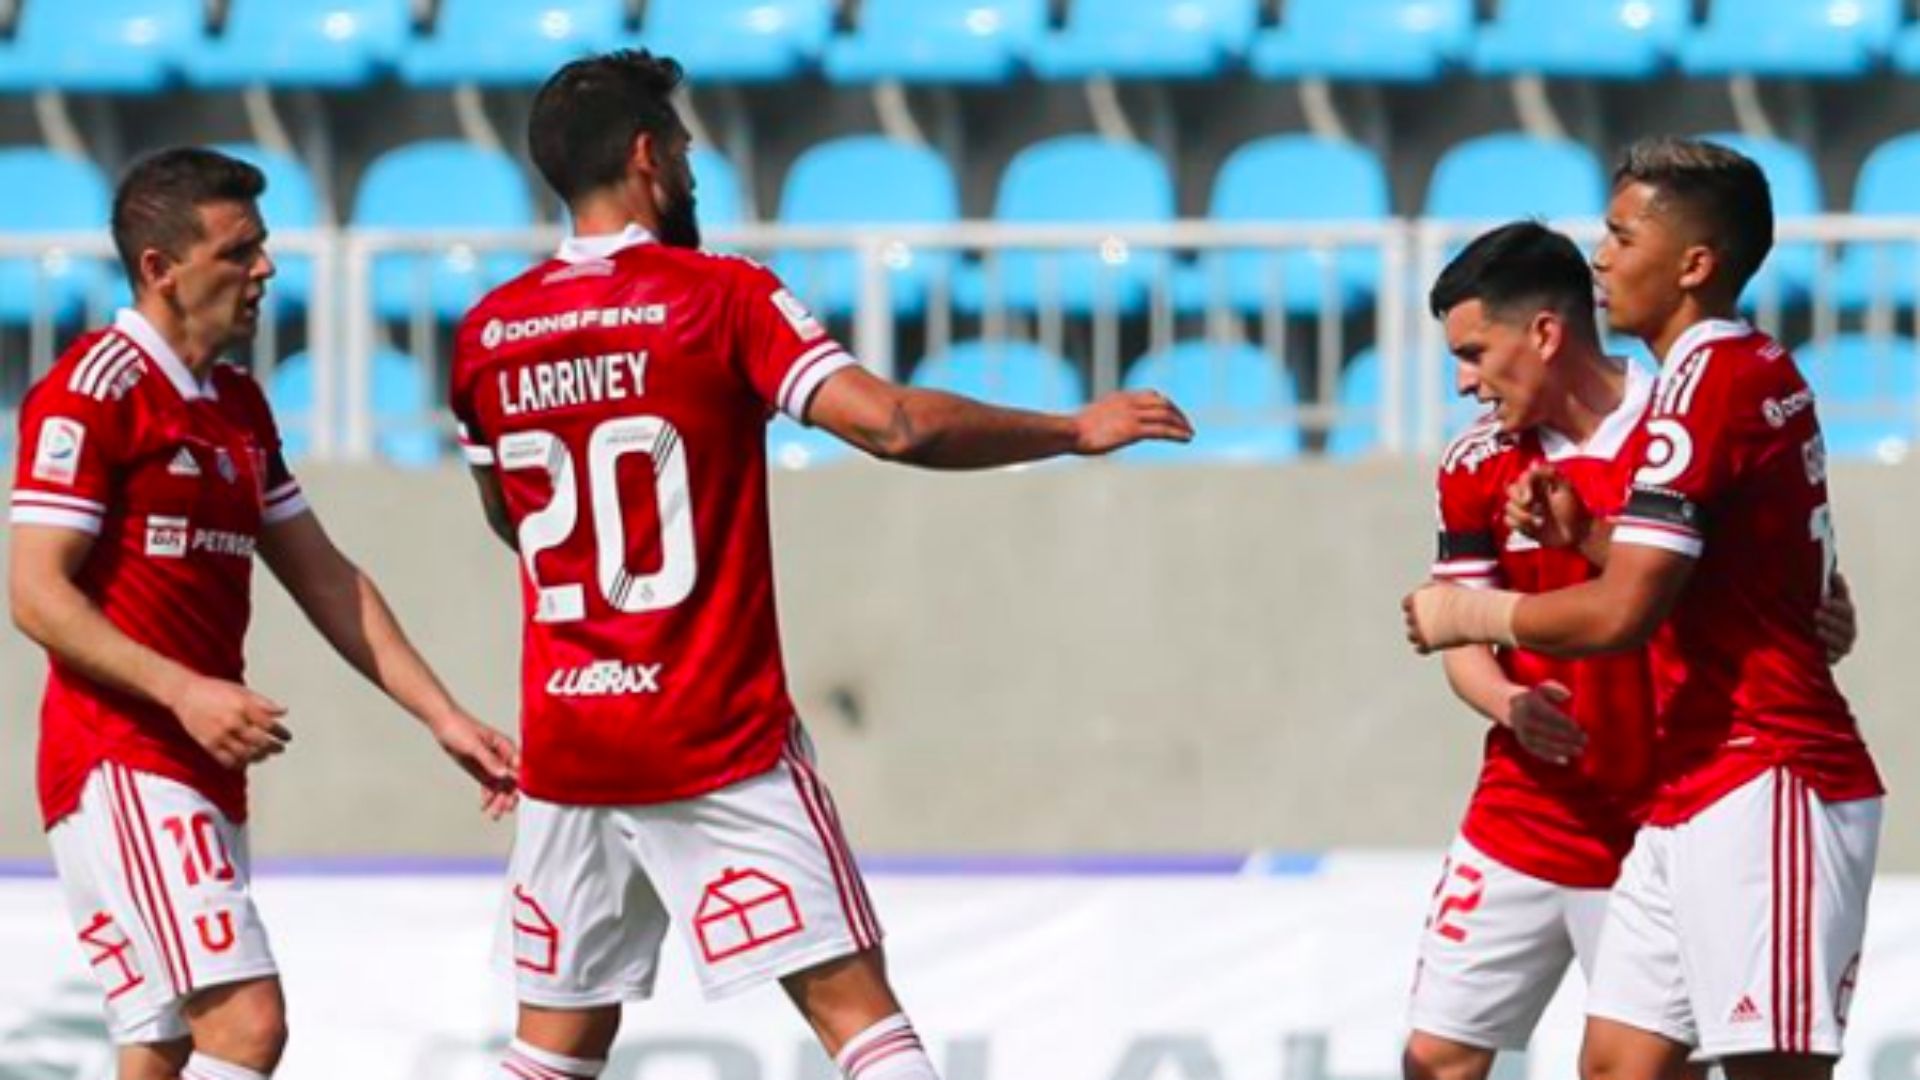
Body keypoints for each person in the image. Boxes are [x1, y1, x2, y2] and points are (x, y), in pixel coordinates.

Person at [448, 49, 1192, 1080]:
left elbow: (515, 521)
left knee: (554, 1048)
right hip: (711, 732)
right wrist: (1071, 425)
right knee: (859, 1016)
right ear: (646, 155)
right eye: (688, 151)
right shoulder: (719, 296)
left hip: (571, 739)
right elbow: (890, 424)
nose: (695, 173)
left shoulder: (487, 332)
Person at [8, 147, 520, 1080]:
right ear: (161, 270)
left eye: (264, 247)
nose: (265, 270)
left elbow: (326, 575)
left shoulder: (237, 405)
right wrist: (184, 691)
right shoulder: (94, 390)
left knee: (160, 1046)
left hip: (196, 766)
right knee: (246, 1026)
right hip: (120, 756)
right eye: (237, 252)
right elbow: (35, 591)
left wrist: (442, 716)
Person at [1404, 138, 1883, 1080]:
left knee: (1768, 1066)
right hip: (1666, 789)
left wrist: (1470, 620)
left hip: (1763, 762)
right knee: (1615, 1065)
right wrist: (1587, 541)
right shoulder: (1701, 389)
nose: (1603, 259)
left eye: (1621, 237)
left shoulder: (1711, 383)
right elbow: (1726, 575)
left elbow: (1628, 609)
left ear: (1694, 264)